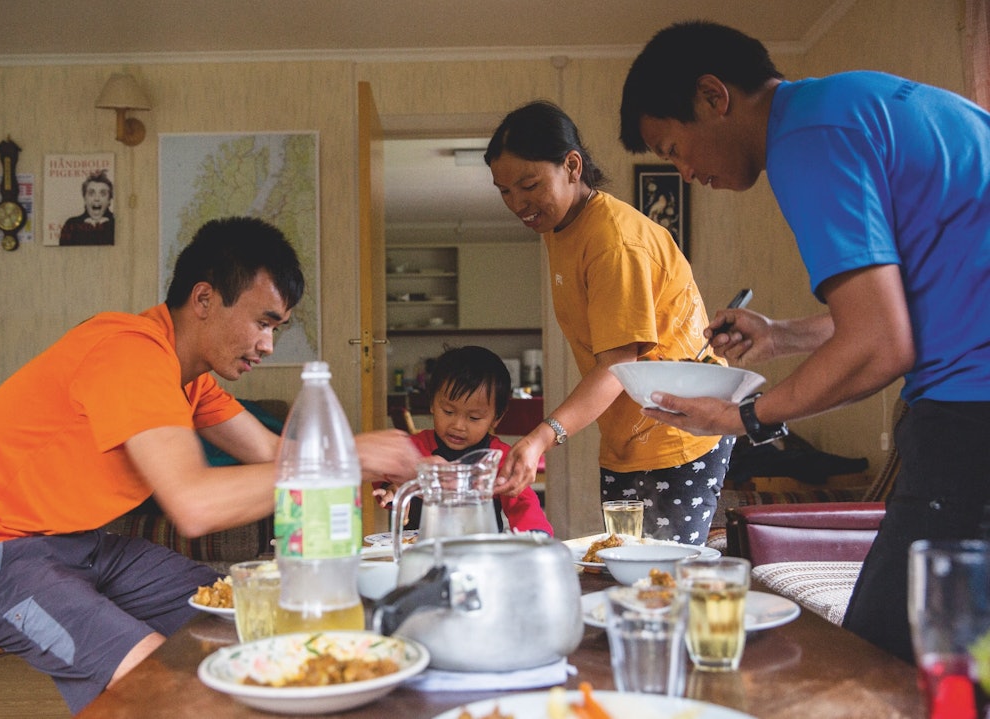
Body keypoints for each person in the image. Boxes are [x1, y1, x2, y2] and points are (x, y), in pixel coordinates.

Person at [0, 216, 420, 713]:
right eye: (262, 323)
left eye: (277, 328)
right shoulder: (128, 353)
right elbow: (193, 504)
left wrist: (374, 462)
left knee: (237, 617)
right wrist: (350, 459)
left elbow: (275, 456)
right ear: (203, 299)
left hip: (77, 546)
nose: (267, 344)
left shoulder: (187, 377)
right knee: (167, 686)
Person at [618, 20, 990, 662]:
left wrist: (743, 418)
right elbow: (904, 307)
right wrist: (783, 334)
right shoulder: (852, 102)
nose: (683, 169)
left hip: (972, 411)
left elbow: (881, 347)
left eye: (674, 146)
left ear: (714, 96)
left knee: (884, 662)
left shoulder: (806, 140)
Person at [485, 101, 734, 546]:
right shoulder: (560, 227)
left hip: (677, 433)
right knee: (622, 567)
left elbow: (617, 364)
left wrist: (542, 437)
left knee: (660, 580)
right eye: (504, 191)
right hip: (627, 438)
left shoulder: (614, 242)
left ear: (572, 166)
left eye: (529, 185)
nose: (518, 204)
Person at [376, 345, 553, 535]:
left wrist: (536, 536)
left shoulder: (498, 457)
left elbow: (523, 502)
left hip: (479, 553)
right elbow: (384, 470)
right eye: (449, 412)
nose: (458, 425)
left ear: (497, 418)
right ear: (432, 404)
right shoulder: (415, 447)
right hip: (422, 550)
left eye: (474, 417)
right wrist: (392, 489)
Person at [59, 169, 115, 245]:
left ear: (109, 200)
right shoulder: (71, 225)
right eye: (91, 193)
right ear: (85, 198)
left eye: (103, 194)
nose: (97, 198)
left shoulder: (118, 224)